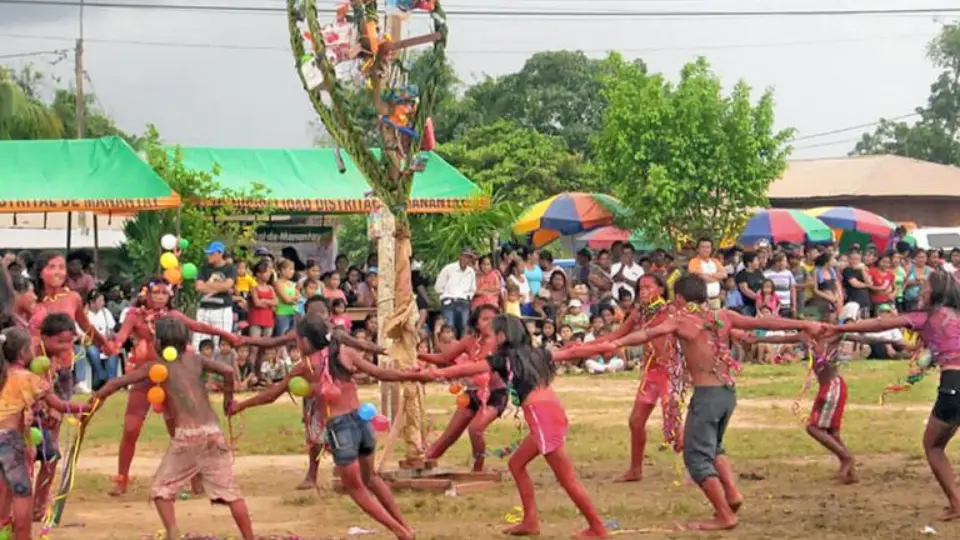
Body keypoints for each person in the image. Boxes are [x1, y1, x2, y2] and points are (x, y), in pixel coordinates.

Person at [603, 274, 822, 531]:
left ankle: (724, 515)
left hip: (707, 396)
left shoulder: (684, 321)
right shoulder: (723, 316)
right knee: (714, 447)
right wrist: (803, 322)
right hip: (727, 394)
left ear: (681, 298)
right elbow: (763, 321)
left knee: (696, 458)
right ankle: (732, 495)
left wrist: (616, 342)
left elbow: (649, 333)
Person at [421, 314, 612, 538]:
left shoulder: (502, 360)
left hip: (542, 418)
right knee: (516, 464)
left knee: (566, 477)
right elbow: (571, 353)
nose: (485, 340)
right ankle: (530, 521)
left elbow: (466, 370)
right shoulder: (536, 353)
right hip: (550, 413)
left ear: (502, 336)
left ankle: (597, 527)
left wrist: (435, 373)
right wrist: (605, 345)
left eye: (489, 335)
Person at [230, 315, 415, 540]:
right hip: (362, 420)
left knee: (356, 488)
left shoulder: (306, 365)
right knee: (372, 479)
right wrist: (412, 375)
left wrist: (241, 405)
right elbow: (379, 372)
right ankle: (406, 526)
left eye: (297, 340)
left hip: (341, 427)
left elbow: (272, 394)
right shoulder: (344, 352)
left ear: (305, 342)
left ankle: (401, 531)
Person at [91, 317, 254, 540]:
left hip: (188, 435)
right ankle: (249, 537)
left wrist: (93, 400)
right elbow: (227, 371)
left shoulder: (157, 367)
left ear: (158, 343)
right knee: (231, 493)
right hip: (213, 431)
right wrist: (228, 399)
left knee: (161, 490)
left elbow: (115, 383)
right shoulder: (195, 359)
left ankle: (173, 532)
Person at [824, 270, 960, 521]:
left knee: (933, 446)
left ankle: (956, 503)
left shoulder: (925, 316)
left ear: (936, 292)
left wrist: (838, 327)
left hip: (954, 384)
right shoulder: (954, 316)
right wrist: (848, 333)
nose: (922, 291)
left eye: (926, 288)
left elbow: (881, 324)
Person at [106, 277, 243, 497]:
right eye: (155, 292)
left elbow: (198, 326)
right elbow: (121, 337)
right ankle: (122, 478)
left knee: (179, 430)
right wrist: (112, 345)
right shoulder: (134, 316)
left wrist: (226, 334)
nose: (160, 297)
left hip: (170, 378)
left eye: (164, 293)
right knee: (131, 428)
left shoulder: (174, 317)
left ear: (169, 296)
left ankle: (196, 478)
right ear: (146, 295)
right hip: (143, 376)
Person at [0, 326, 91, 540]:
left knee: (4, 486)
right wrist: (86, 408)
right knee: (21, 489)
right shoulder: (28, 378)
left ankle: (6, 527)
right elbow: (58, 405)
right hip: (8, 439)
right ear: (23, 353)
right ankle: (23, 536)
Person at [591, 273, 680, 482]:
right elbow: (617, 335)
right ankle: (635, 469)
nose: (643, 291)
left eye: (648, 287)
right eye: (641, 287)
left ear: (660, 289)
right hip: (651, 373)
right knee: (635, 422)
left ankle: (700, 468)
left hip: (669, 372)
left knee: (674, 423)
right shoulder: (640, 313)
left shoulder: (671, 311)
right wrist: (587, 346)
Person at [417, 305, 505, 472]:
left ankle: (478, 469)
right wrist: (417, 355)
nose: (490, 323)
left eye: (493, 319)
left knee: (475, 429)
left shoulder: (502, 341)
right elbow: (445, 357)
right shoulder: (469, 341)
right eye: (485, 319)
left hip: (495, 394)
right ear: (476, 323)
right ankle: (425, 461)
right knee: (449, 435)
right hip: (472, 392)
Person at [193, 242, 237, 349]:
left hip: (222, 308)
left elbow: (227, 286)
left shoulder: (229, 268)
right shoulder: (204, 268)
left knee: (221, 341)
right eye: (208, 253)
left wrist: (208, 285)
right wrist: (219, 286)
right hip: (204, 307)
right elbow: (199, 287)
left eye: (212, 253)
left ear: (220, 253)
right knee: (199, 341)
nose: (209, 256)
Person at [435, 248, 477, 339]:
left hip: (463, 302)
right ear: (460, 256)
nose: (466, 259)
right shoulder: (449, 268)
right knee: (449, 327)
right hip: (449, 301)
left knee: (464, 327)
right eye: (464, 256)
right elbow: (438, 287)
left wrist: (467, 297)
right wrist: (445, 297)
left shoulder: (471, 272)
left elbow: (472, 289)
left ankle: (462, 350)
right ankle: (451, 349)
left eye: (469, 258)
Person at [83, 290, 119, 391]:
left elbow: (111, 329)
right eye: (100, 300)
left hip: (105, 341)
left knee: (112, 350)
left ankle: (111, 381)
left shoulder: (105, 312)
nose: (103, 303)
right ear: (92, 302)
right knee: (92, 351)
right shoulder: (85, 314)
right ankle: (101, 375)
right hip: (92, 343)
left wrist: (111, 335)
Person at [688, 238, 727, 309]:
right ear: (698, 249)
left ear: (711, 249)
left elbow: (724, 274)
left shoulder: (715, 261)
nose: (705, 249)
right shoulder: (694, 261)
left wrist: (709, 275)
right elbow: (702, 278)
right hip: (701, 301)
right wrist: (717, 278)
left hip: (716, 299)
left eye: (708, 247)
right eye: (703, 247)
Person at [273, 259, 299, 339]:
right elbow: (286, 300)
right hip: (282, 314)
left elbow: (299, 297)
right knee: (281, 338)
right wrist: (294, 299)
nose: (292, 271)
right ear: (282, 270)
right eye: (290, 269)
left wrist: (293, 299)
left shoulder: (292, 284)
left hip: (293, 313)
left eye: (293, 269)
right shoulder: (278, 283)